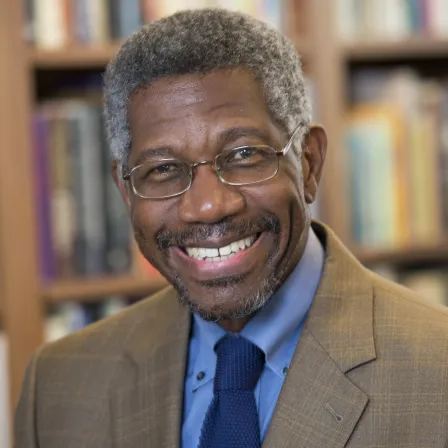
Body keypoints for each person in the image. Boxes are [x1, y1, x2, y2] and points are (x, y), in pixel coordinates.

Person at [15, 8, 448, 448]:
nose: (208, 206)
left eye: (244, 155)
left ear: (309, 162)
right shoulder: (55, 388)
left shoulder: (438, 372)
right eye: (163, 169)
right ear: (126, 192)